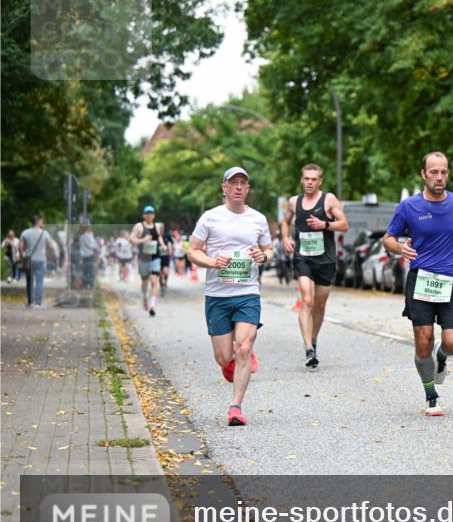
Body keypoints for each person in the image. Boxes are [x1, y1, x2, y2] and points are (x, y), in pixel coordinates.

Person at [382, 152, 453, 417]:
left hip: (452, 280)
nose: (439, 177)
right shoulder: (409, 206)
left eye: (444, 172)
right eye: (434, 172)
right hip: (422, 280)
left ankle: (442, 356)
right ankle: (431, 395)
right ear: (424, 174)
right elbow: (388, 238)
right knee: (423, 342)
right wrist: (400, 248)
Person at [186, 166, 272, 427]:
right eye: (233, 182)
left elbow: (269, 249)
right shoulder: (210, 218)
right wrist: (212, 262)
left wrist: (263, 256)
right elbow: (193, 251)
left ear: (248, 189)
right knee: (224, 357)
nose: (238, 187)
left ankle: (236, 407)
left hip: (247, 293)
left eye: (243, 183)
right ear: (224, 187)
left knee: (243, 347)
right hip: (217, 295)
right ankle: (233, 362)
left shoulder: (258, 219)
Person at [280, 164, 349, 368]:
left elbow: (344, 224)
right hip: (303, 257)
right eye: (307, 179)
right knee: (307, 300)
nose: (310, 182)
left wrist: (325, 224)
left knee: (319, 304)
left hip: (326, 260)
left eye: (314, 179)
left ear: (320, 181)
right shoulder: (294, 202)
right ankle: (309, 348)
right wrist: (285, 238)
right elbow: (285, 222)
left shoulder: (329, 200)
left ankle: (313, 338)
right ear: (301, 180)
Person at [129, 205, 166, 316]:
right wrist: (143, 240)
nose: (149, 215)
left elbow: (159, 237)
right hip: (143, 258)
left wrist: (162, 245)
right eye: (147, 213)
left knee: (154, 281)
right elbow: (131, 239)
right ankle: (145, 297)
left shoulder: (157, 226)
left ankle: (152, 305)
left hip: (155, 257)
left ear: (154, 215)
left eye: (151, 213)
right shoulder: (139, 226)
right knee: (145, 281)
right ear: (144, 215)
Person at [19, 215, 58, 307]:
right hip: (41, 260)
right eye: (42, 221)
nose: (43, 223)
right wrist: (47, 255)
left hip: (29, 260)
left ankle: (30, 302)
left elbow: (20, 248)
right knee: (39, 282)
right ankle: (37, 303)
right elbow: (51, 247)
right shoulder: (45, 233)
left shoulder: (25, 233)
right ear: (39, 222)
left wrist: (22, 259)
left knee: (29, 282)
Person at [77, 222, 100, 289]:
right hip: (89, 254)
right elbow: (92, 245)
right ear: (88, 228)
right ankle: (89, 284)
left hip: (84, 255)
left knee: (86, 270)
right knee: (90, 270)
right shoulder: (88, 235)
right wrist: (96, 249)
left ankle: (85, 284)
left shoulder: (81, 236)